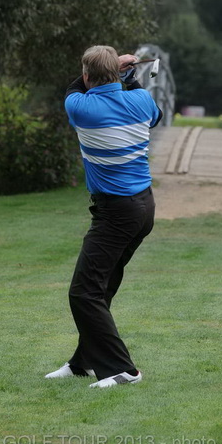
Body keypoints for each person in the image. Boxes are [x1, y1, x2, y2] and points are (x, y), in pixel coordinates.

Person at [45, 45, 163, 388]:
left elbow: (75, 87)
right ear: (116, 74)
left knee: (84, 293)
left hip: (116, 214)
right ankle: (83, 362)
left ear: (86, 76)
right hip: (143, 208)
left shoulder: (80, 107)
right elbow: (154, 115)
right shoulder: (141, 100)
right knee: (101, 287)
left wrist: (110, 69)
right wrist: (129, 76)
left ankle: (123, 370)